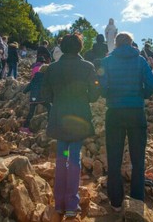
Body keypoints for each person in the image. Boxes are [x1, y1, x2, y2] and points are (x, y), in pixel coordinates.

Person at [41, 33, 100, 218]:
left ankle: (59, 203)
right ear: (80, 47)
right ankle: (71, 205)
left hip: (59, 117)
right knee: (74, 158)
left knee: (62, 157)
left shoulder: (52, 68)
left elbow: (45, 94)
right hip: (78, 118)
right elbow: (94, 95)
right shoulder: (87, 67)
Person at [99, 32, 153, 212]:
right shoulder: (140, 60)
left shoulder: (107, 61)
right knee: (138, 159)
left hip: (114, 112)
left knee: (114, 158)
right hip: (136, 112)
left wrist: (109, 95)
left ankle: (116, 202)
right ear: (131, 43)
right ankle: (137, 200)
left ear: (115, 43)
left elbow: (101, 86)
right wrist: (142, 95)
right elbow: (152, 84)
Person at [20, 63, 50, 134]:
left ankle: (25, 127)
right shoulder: (46, 78)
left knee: (31, 112)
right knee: (50, 107)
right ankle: (49, 123)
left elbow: (30, 85)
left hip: (33, 97)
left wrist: (24, 91)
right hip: (41, 97)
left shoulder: (36, 76)